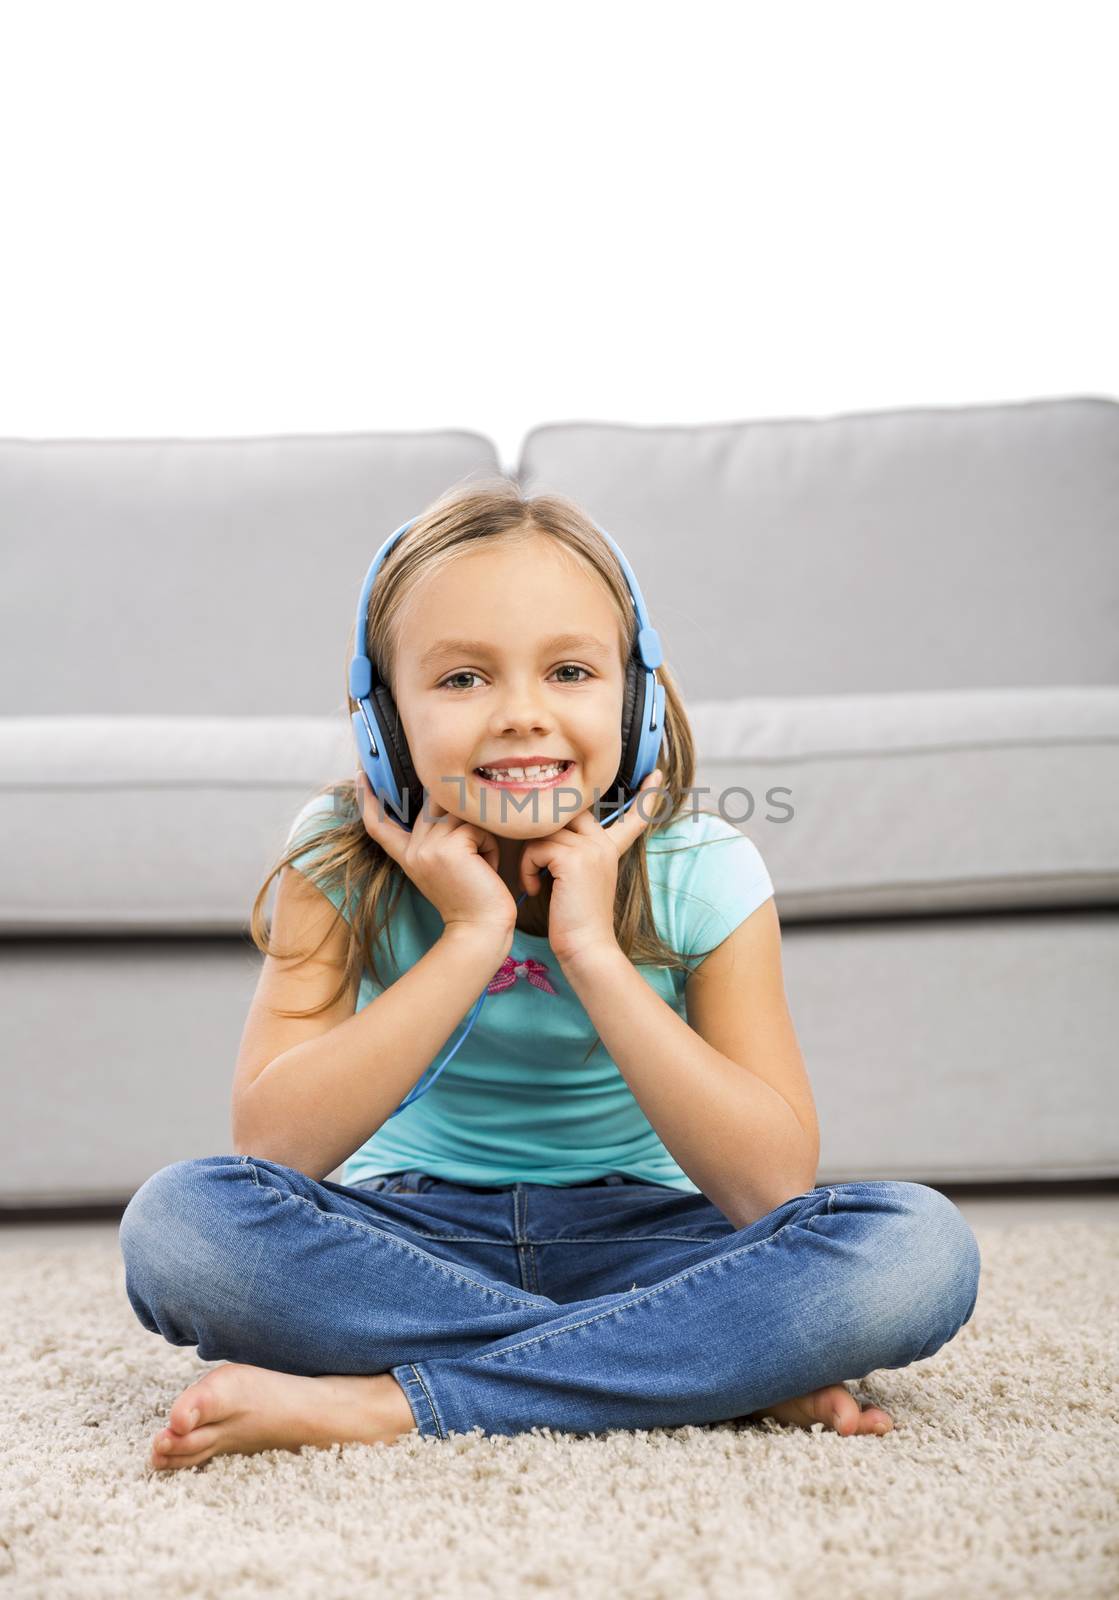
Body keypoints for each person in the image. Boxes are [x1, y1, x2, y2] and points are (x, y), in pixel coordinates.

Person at [118, 476, 981, 1472]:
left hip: (657, 1235)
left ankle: (388, 1404)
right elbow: (272, 1147)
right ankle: (698, 1361)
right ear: (383, 722)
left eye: (569, 671)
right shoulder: (337, 854)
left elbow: (768, 1184)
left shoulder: (705, 867)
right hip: (410, 1235)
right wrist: (471, 935)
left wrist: (589, 950)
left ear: (638, 698)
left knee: (918, 1252)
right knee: (182, 1226)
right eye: (461, 679)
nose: (523, 715)